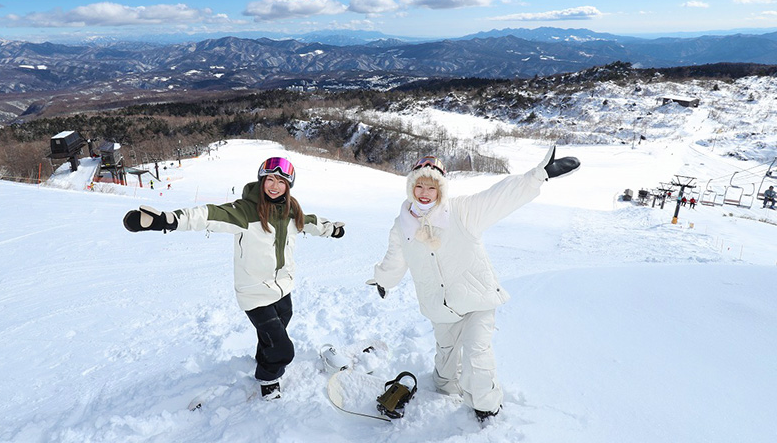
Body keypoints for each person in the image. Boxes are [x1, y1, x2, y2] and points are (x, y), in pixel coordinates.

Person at [368, 148, 580, 423]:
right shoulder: (402, 226)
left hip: (476, 299)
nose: (424, 192)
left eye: (431, 187)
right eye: (419, 185)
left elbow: (499, 197)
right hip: (440, 308)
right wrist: (384, 280)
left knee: (477, 357)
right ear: (411, 187)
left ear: (440, 189)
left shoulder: (462, 211)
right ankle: (445, 389)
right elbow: (395, 259)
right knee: (445, 372)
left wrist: (538, 176)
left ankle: (487, 409)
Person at [122, 157, 345, 399]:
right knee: (282, 350)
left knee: (271, 338)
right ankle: (267, 379)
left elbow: (311, 222)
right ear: (261, 181)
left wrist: (331, 229)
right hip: (254, 293)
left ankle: (264, 364)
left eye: (281, 181)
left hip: (283, 289)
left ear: (288, 186)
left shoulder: (291, 212)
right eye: (269, 179)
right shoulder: (245, 211)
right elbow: (208, 214)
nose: (274, 185)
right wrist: (167, 219)